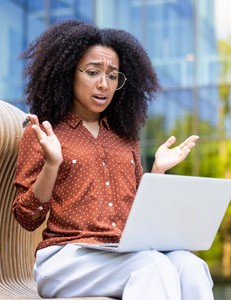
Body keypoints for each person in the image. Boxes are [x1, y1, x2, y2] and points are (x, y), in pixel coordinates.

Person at [12, 20, 213, 300]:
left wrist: (157, 172)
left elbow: (140, 217)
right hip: (66, 258)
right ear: (68, 73)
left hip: (123, 254)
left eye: (112, 76)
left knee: (191, 266)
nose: (103, 84)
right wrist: (51, 164)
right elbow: (27, 217)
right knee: (152, 266)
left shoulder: (125, 138)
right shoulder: (44, 134)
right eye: (93, 72)